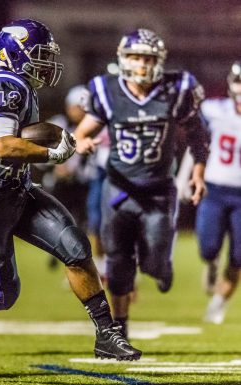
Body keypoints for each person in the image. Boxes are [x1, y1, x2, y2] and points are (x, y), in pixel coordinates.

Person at [0, 19, 141, 361]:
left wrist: (53, 138)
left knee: (76, 247)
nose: (46, 62)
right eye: (39, 54)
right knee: (1, 295)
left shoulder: (22, 86)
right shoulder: (3, 82)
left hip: (19, 191)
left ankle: (106, 334)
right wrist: (52, 153)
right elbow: (6, 146)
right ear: (15, 52)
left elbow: (23, 137)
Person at [74, 28, 209, 339]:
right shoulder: (107, 90)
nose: (141, 64)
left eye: (147, 57)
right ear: (123, 59)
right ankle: (119, 326)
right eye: (135, 57)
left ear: (158, 60)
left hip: (158, 190)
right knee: (118, 262)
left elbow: (198, 135)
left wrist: (198, 173)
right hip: (118, 186)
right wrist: (80, 143)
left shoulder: (176, 89)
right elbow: (83, 131)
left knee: (153, 262)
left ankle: (161, 267)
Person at [197, 62, 241, 324]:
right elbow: (192, 135)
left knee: (239, 256)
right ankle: (211, 264)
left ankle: (218, 302)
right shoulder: (214, 110)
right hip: (215, 189)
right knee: (208, 248)